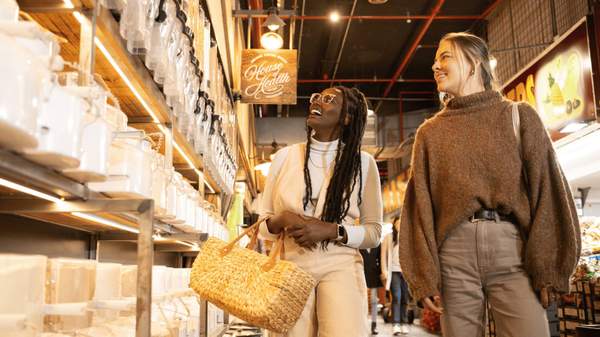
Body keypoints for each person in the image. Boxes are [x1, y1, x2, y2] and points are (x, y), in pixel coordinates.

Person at [399, 32, 581, 337]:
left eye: (445, 56)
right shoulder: (430, 134)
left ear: (474, 63)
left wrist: (550, 266)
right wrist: (424, 277)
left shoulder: (519, 117)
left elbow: (548, 190)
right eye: (435, 60)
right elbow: (419, 211)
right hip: (453, 257)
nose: (435, 66)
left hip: (514, 251)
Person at [259, 86, 384, 337]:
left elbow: (374, 233)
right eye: (316, 96)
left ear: (347, 117)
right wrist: (281, 219)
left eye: (328, 100)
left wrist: (332, 230)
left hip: (340, 264)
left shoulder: (363, 163)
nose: (316, 101)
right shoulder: (284, 157)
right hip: (289, 264)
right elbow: (263, 226)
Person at [381, 217, 410, 335]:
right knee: (397, 297)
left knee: (405, 298)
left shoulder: (407, 237)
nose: (399, 225)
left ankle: (404, 323)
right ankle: (396, 324)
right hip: (394, 272)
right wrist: (384, 271)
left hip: (406, 273)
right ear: (394, 224)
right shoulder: (389, 237)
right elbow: (383, 255)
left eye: (401, 222)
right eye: (397, 223)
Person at [360, 244, 383, 335]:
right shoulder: (360, 244)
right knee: (362, 301)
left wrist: (381, 273)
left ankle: (374, 325)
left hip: (374, 275)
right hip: (362, 275)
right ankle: (363, 324)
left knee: (374, 301)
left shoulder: (377, 243)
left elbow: (380, 259)